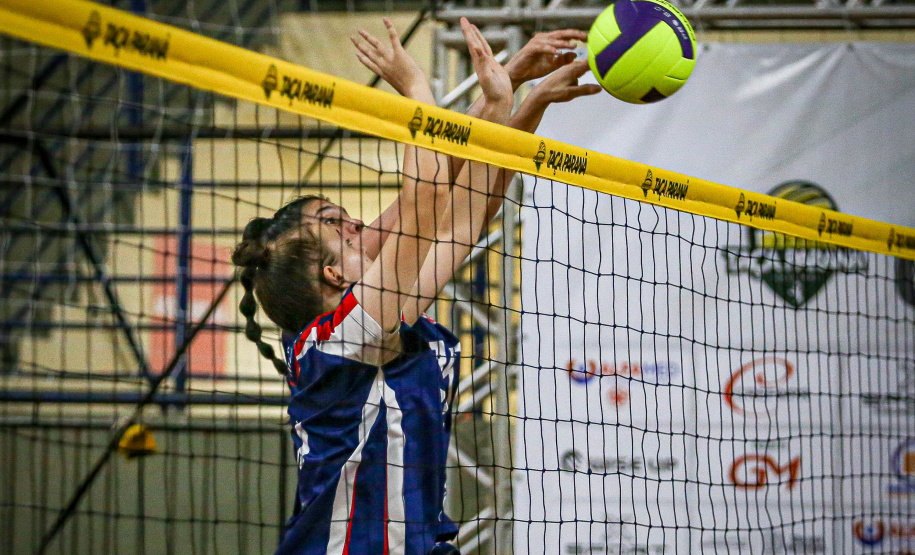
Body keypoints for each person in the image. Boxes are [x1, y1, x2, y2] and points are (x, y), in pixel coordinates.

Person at [232, 17, 600, 555]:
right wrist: (417, 91)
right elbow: (425, 203)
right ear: (332, 275)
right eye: (339, 224)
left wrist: (520, 97)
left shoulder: (390, 320)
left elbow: (462, 217)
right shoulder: (341, 341)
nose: (358, 224)